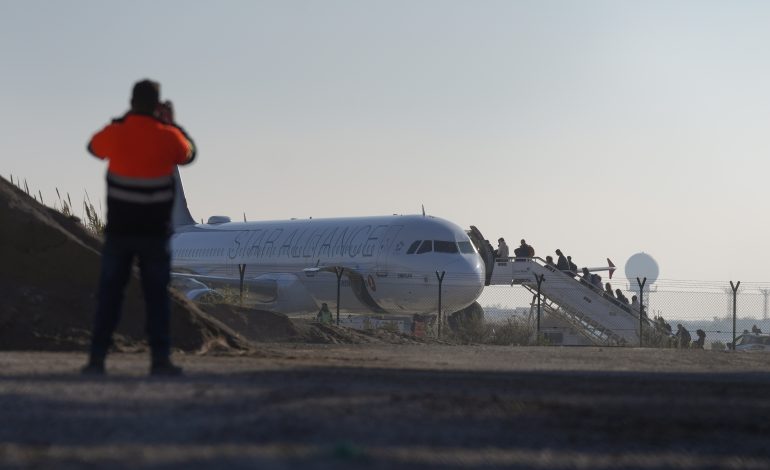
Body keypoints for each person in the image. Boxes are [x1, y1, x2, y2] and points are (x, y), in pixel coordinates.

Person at [82, 79, 196, 376]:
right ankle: (160, 360)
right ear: (157, 105)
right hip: (154, 234)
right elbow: (189, 154)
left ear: (131, 101)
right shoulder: (168, 136)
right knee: (157, 298)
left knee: (109, 297)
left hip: (120, 233)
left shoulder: (117, 133)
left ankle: (96, 360)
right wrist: (173, 124)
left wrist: (122, 120)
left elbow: (93, 147)